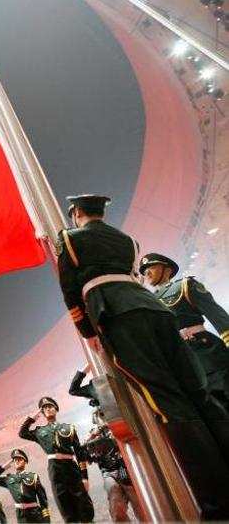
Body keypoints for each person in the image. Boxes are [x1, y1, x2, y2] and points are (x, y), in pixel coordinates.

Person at [56, 193, 229, 518]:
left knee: (167, 403)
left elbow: (69, 289)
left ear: (76, 212)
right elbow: (134, 277)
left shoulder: (68, 238)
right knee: (200, 396)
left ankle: (217, 503)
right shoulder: (128, 241)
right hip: (156, 311)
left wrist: (89, 333)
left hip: (118, 315)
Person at [141, 252, 229, 409]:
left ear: (167, 270)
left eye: (150, 267)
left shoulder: (184, 286)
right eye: (143, 270)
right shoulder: (148, 301)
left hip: (204, 350)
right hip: (180, 361)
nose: (146, 272)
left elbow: (217, 315)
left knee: (223, 392)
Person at [18, 397, 93, 523]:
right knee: (63, 501)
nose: (47, 409)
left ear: (56, 409)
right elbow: (22, 433)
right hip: (55, 469)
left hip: (71, 467)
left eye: (50, 406)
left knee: (82, 501)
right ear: (42, 412)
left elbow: (80, 454)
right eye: (44, 408)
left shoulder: (69, 428)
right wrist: (34, 417)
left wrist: (85, 477)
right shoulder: (39, 431)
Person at [82, 414, 140, 522]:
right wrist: (92, 437)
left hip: (127, 468)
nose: (101, 418)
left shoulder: (117, 425)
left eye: (102, 414)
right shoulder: (94, 434)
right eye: (98, 415)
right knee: (115, 504)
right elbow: (84, 454)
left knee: (139, 505)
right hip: (109, 473)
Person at [0, 449, 50, 523]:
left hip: (35, 514)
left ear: (25, 462)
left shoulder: (33, 477)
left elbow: (42, 499)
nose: (17, 461)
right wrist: (3, 467)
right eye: (15, 460)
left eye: (20, 459)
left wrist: (46, 519)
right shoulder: (8, 479)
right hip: (21, 516)